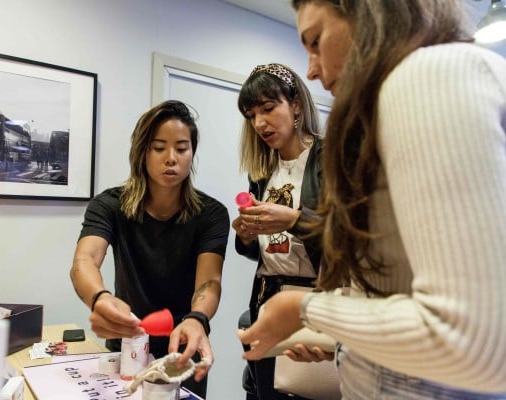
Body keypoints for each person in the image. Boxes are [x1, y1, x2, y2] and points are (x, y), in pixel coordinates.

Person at [238, 1, 506, 399]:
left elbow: (476, 341)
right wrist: (339, 335)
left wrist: (306, 309)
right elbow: (398, 293)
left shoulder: (429, 77)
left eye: (315, 41)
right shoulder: (402, 101)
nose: (311, 69)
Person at [70, 100, 230, 398]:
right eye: (159, 148)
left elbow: (210, 281)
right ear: (142, 152)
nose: (171, 158)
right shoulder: (110, 205)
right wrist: (98, 298)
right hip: (127, 344)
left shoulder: (212, 214)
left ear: (192, 153)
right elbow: (85, 259)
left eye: (182, 149)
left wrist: (198, 318)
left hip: (183, 347)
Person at [232, 63, 323, 400]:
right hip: (266, 296)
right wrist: (246, 236)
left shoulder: (328, 159)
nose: (259, 123)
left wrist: (293, 219)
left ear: (296, 103)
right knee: (268, 392)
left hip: (314, 299)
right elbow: (267, 249)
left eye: (268, 109)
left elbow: (346, 237)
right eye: (251, 115)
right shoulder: (263, 170)